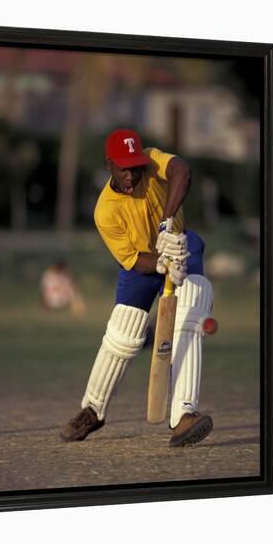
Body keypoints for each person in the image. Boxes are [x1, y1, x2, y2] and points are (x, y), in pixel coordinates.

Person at [60, 128, 214, 447]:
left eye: (136, 166)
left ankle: (184, 415)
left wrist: (168, 223)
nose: (132, 174)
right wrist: (160, 263)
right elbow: (131, 259)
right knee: (123, 334)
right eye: (123, 168)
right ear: (109, 167)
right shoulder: (105, 211)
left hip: (182, 246)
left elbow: (182, 171)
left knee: (191, 317)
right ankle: (93, 409)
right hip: (143, 263)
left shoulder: (154, 162)